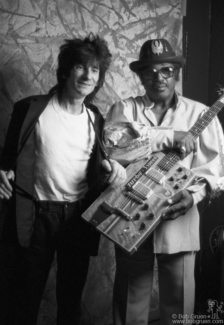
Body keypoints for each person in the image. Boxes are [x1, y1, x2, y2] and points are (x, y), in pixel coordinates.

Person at [0, 34, 126, 325]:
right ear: (67, 70)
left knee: (70, 302)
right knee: (22, 299)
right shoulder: (31, 109)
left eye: (95, 70)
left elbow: (93, 162)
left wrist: (111, 167)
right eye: (81, 66)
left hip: (78, 218)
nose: (88, 75)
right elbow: (7, 158)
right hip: (35, 215)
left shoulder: (95, 118)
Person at [103, 38, 224, 325]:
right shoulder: (124, 109)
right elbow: (116, 147)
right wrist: (170, 137)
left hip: (179, 221)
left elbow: (216, 170)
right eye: (150, 71)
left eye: (166, 70)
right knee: (130, 306)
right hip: (130, 217)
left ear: (176, 73)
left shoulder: (199, 114)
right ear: (141, 76)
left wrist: (193, 197)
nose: (158, 78)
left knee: (179, 309)